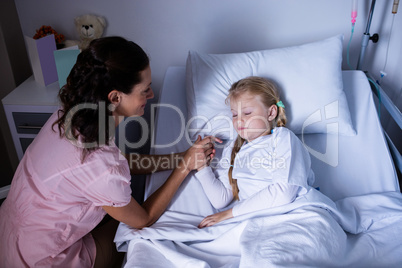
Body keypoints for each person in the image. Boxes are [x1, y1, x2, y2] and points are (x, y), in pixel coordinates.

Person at [0, 36, 217, 267]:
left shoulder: (70, 116)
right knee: (130, 232)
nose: (152, 95)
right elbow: (142, 219)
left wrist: (180, 158)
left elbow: (120, 163)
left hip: (10, 235)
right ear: (115, 97)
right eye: (145, 90)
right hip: (44, 259)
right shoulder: (98, 161)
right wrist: (184, 168)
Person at [196, 76, 315, 228]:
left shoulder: (283, 139)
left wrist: (230, 213)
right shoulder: (233, 149)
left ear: (271, 113)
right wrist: (202, 166)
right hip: (254, 220)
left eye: (247, 113)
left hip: (294, 213)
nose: (239, 121)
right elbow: (221, 200)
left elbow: (283, 193)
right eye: (234, 114)